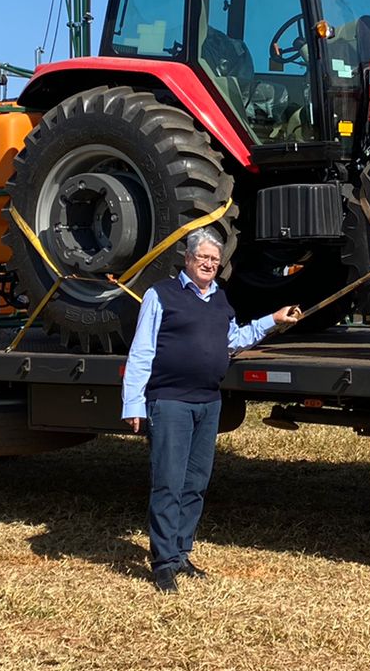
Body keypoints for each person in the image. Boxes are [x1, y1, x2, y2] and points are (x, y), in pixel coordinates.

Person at [122, 227, 302, 593]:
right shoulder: (161, 295)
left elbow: (233, 340)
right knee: (168, 482)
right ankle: (163, 563)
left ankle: (182, 552)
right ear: (187, 259)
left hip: (208, 401)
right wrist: (133, 403)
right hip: (170, 400)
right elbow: (141, 352)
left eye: (214, 260)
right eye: (202, 257)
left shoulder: (221, 299)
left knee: (195, 484)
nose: (208, 264)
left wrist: (273, 320)